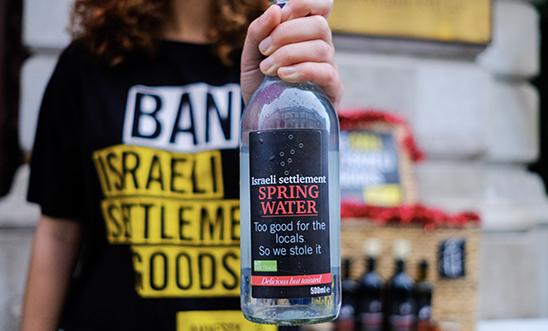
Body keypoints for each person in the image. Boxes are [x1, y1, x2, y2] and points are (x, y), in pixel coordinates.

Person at [20, 0, 343, 330]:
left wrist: (309, 117)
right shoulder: (89, 63)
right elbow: (58, 232)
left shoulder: (273, 55)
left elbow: (304, 224)